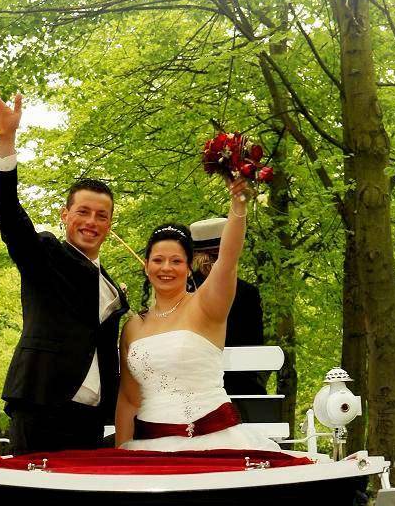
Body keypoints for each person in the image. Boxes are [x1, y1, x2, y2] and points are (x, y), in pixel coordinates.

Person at [0, 85, 128, 454]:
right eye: (83, 212)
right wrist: (6, 141)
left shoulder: (112, 285)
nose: (91, 222)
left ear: (110, 224)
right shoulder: (45, 254)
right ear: (65, 215)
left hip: (93, 419)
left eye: (102, 216)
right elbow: (9, 214)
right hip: (41, 404)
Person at [116, 179, 283, 453]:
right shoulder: (133, 326)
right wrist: (122, 454)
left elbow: (228, 259)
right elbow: (129, 399)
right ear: (146, 266)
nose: (166, 268)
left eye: (176, 261)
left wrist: (238, 203)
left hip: (212, 440)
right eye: (158, 260)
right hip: (148, 446)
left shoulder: (206, 306)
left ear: (188, 265)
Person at [190, 217, 267, 397]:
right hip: (241, 388)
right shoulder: (247, 292)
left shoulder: (180, 289)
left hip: (191, 387)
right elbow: (255, 344)